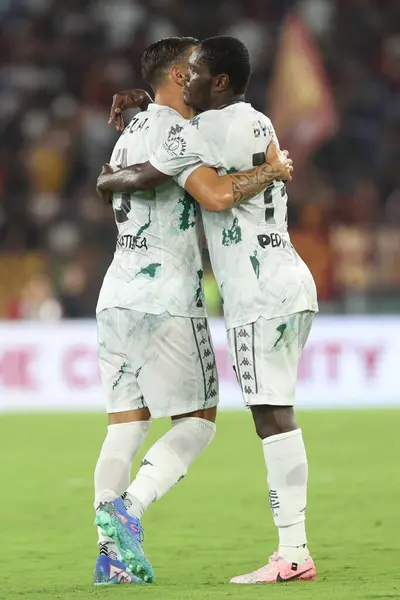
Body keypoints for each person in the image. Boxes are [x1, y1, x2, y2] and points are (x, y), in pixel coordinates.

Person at [97, 36, 318, 585]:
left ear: (213, 81)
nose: (191, 78)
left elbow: (146, 174)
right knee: (206, 419)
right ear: (176, 75)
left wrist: (107, 170)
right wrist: (272, 169)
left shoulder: (160, 132)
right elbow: (209, 188)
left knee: (129, 424)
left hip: (123, 293)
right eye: (186, 69)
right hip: (237, 285)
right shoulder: (252, 123)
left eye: (200, 70)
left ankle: (113, 546)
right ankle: (128, 516)